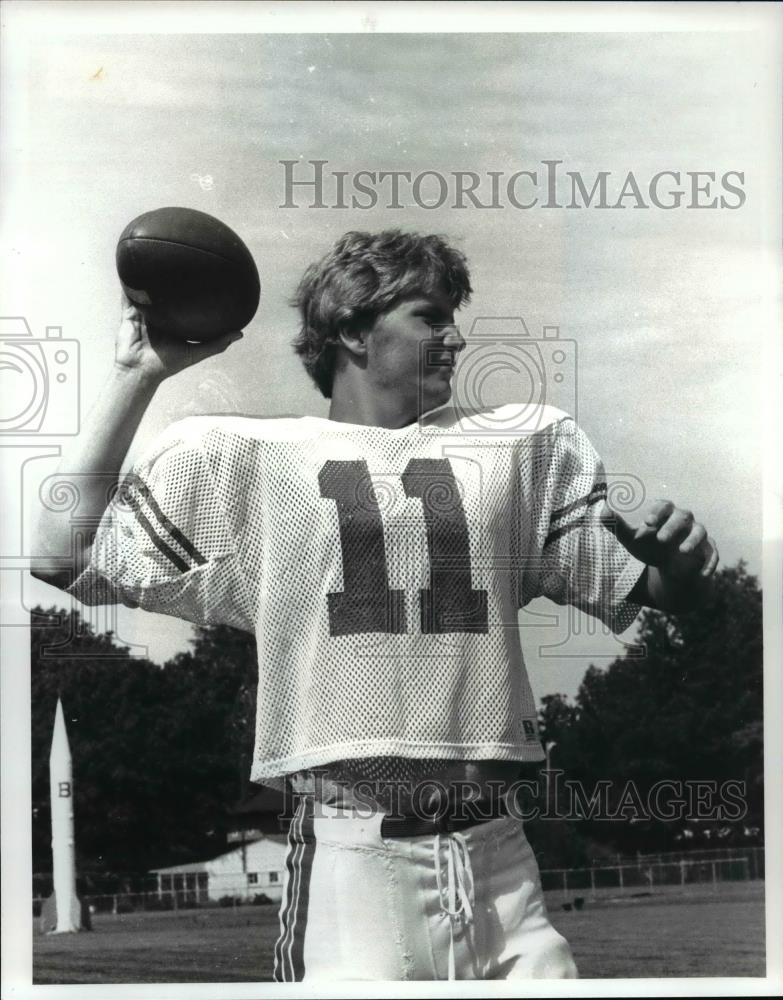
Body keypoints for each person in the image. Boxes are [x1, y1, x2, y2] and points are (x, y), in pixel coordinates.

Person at [32, 229, 718, 981]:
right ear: (353, 329)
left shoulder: (521, 445)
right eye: (430, 316)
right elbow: (59, 555)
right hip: (353, 867)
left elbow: (641, 589)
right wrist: (137, 375)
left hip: (502, 866)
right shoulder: (249, 458)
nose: (455, 338)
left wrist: (678, 573)